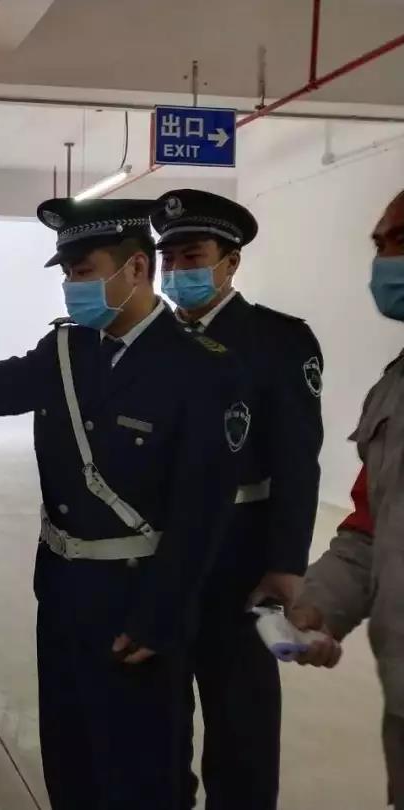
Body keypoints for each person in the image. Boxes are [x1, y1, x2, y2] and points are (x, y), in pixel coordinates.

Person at [0, 197, 248, 810]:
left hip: (138, 596)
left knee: (144, 768)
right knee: (70, 755)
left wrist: (163, 613)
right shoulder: (67, 351)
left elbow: (205, 510)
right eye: (67, 274)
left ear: (137, 269)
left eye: (84, 272)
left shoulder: (203, 370)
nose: (71, 287)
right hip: (61, 591)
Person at [151, 189, 325, 810]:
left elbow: (297, 462)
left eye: (192, 256)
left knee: (241, 715)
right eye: (168, 258)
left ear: (231, 262)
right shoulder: (149, 339)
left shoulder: (278, 340)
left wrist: (285, 564)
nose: (177, 270)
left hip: (239, 553)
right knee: (159, 712)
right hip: (160, 551)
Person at [290, 188, 404, 808]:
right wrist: (317, 605)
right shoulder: (395, 386)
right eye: (380, 245)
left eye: (401, 241)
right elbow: (369, 526)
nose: (386, 261)